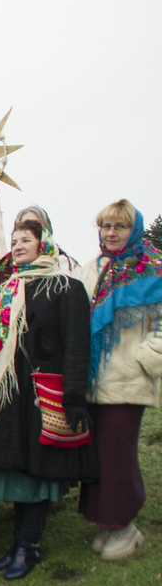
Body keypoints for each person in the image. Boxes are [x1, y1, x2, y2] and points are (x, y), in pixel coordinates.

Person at [0, 221, 97, 579]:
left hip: (45, 392)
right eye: (13, 241)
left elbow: (76, 344)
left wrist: (74, 398)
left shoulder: (66, 286)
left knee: (40, 472)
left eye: (26, 240)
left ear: (45, 244)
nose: (17, 245)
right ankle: (17, 543)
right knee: (17, 469)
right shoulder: (11, 287)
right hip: (11, 393)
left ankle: (29, 545)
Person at [80, 200, 162, 560]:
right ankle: (106, 523)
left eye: (120, 227)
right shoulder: (92, 268)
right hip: (92, 379)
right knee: (96, 454)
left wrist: (144, 362)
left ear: (135, 230)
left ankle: (125, 526)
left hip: (128, 380)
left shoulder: (153, 269)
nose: (111, 233)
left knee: (117, 454)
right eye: (106, 226)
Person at [0, 206, 83, 312]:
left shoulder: (65, 265)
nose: (28, 229)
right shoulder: (4, 267)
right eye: (23, 225)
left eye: (35, 225)